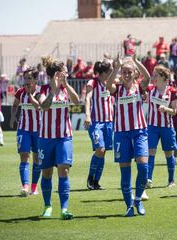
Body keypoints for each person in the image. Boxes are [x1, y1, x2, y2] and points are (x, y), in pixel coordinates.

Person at [106, 54, 150, 217]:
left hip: (139, 132)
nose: (126, 74)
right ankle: (128, 206)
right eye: (124, 71)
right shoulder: (116, 89)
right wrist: (116, 67)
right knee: (125, 173)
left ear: (135, 73)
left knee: (144, 168)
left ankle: (137, 200)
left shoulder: (139, 87)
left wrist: (137, 62)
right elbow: (108, 84)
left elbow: (148, 77)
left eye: (129, 72)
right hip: (121, 134)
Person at [37, 57, 80, 220]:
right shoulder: (43, 89)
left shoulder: (66, 89)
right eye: (64, 70)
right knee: (46, 173)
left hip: (64, 137)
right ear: (56, 73)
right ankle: (47, 206)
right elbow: (44, 106)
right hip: (45, 138)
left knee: (64, 170)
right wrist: (53, 90)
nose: (67, 72)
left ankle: (64, 209)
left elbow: (77, 100)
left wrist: (66, 85)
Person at [10, 68, 41, 197]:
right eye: (25, 78)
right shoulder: (20, 92)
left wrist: (30, 95)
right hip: (23, 129)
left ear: (35, 80)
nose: (27, 81)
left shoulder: (41, 92)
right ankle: (25, 186)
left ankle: (34, 187)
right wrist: (13, 116)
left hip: (39, 130)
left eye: (29, 78)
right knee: (24, 156)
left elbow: (39, 106)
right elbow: (15, 105)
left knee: (37, 159)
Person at [145, 65, 177, 189]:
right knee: (150, 153)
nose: (153, 77)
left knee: (169, 154)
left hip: (167, 127)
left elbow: (174, 111)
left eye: (156, 75)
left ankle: (171, 180)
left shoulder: (172, 92)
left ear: (164, 78)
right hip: (152, 127)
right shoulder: (149, 90)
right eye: (153, 75)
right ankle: (148, 179)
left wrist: (166, 109)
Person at [83, 60, 113, 190]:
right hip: (96, 123)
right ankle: (90, 178)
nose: (111, 73)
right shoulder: (93, 83)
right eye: (109, 71)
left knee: (103, 151)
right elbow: (88, 98)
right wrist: (88, 115)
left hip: (109, 122)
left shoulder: (110, 84)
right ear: (102, 73)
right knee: (100, 150)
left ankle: (96, 181)